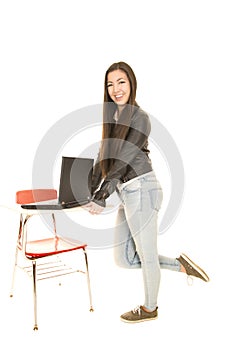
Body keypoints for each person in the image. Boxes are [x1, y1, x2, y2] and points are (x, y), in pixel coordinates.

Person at [85, 61, 209, 323]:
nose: (116, 89)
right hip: (126, 192)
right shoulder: (112, 119)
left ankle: (150, 308)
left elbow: (124, 161)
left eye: (121, 82)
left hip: (142, 188)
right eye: (110, 84)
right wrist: (84, 191)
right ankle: (181, 264)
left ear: (132, 84)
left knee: (147, 256)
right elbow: (103, 158)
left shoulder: (140, 118)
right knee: (124, 259)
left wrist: (101, 195)